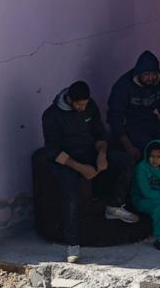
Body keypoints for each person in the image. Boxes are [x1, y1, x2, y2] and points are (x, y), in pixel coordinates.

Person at [42, 81, 140, 263]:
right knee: (71, 194)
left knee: (126, 162)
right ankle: (72, 244)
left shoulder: (91, 107)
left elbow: (100, 134)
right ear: (70, 99)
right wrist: (80, 168)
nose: (82, 108)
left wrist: (102, 154)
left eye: (85, 104)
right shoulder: (51, 115)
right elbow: (53, 151)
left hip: (89, 152)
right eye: (79, 104)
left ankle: (114, 206)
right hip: (65, 161)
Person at [107, 50, 160, 176]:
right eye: (147, 74)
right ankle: (152, 188)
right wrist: (128, 146)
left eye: (154, 74)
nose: (151, 78)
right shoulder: (123, 86)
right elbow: (114, 117)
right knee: (152, 149)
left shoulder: (158, 81)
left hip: (151, 121)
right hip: (131, 125)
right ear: (139, 73)